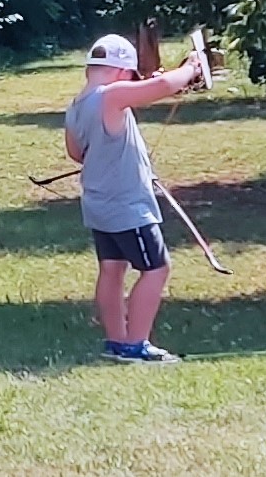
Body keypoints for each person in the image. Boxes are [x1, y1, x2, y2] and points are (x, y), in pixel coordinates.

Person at [64, 33, 203, 364]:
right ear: (122, 72)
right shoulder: (112, 96)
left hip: (98, 205)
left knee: (111, 270)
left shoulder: (76, 106)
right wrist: (192, 68)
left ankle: (116, 341)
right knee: (156, 269)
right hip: (127, 206)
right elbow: (164, 87)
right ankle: (136, 345)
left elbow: (75, 153)